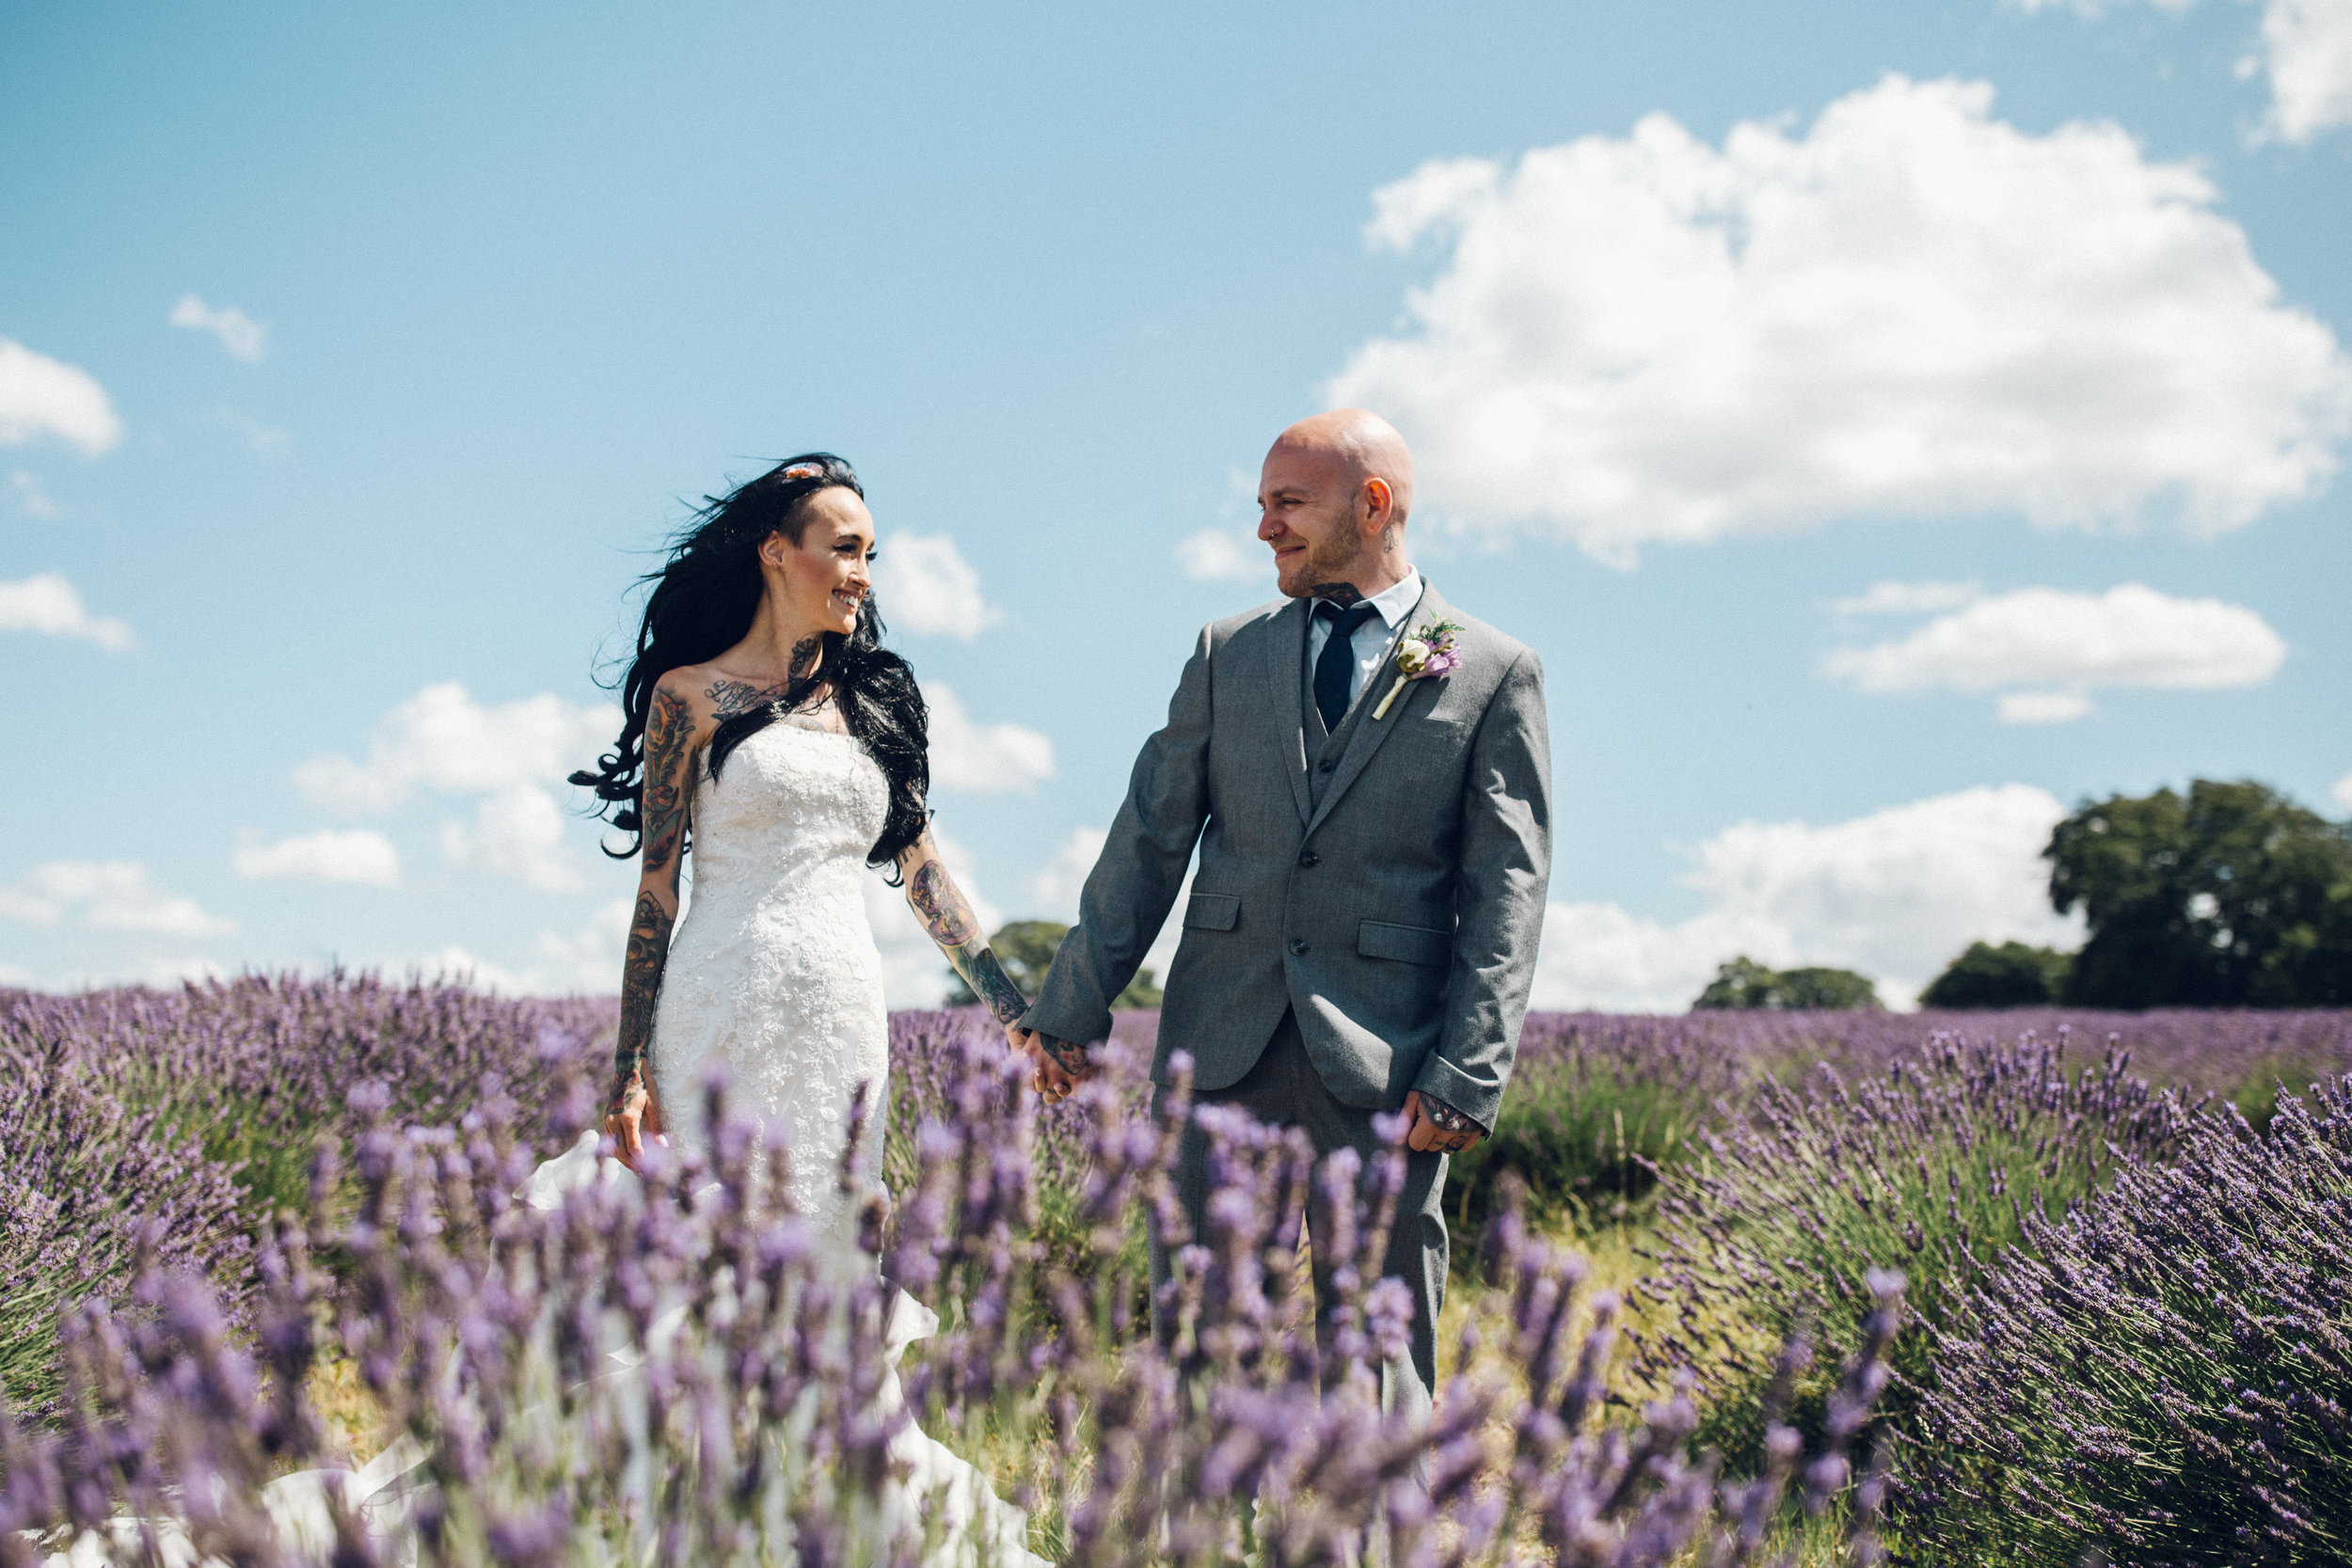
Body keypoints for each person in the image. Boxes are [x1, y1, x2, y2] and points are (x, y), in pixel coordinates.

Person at [1012, 410, 1552, 1424]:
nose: (1264, 528)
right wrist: (1071, 1008)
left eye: (1286, 503)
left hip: (1390, 1066)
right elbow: (1147, 840)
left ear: (1373, 504)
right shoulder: (1226, 653)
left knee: (1379, 1352)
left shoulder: (1489, 669)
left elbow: (1505, 890)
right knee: (1204, 1347)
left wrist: (1470, 1070)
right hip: (1219, 1048)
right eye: (1261, 505)